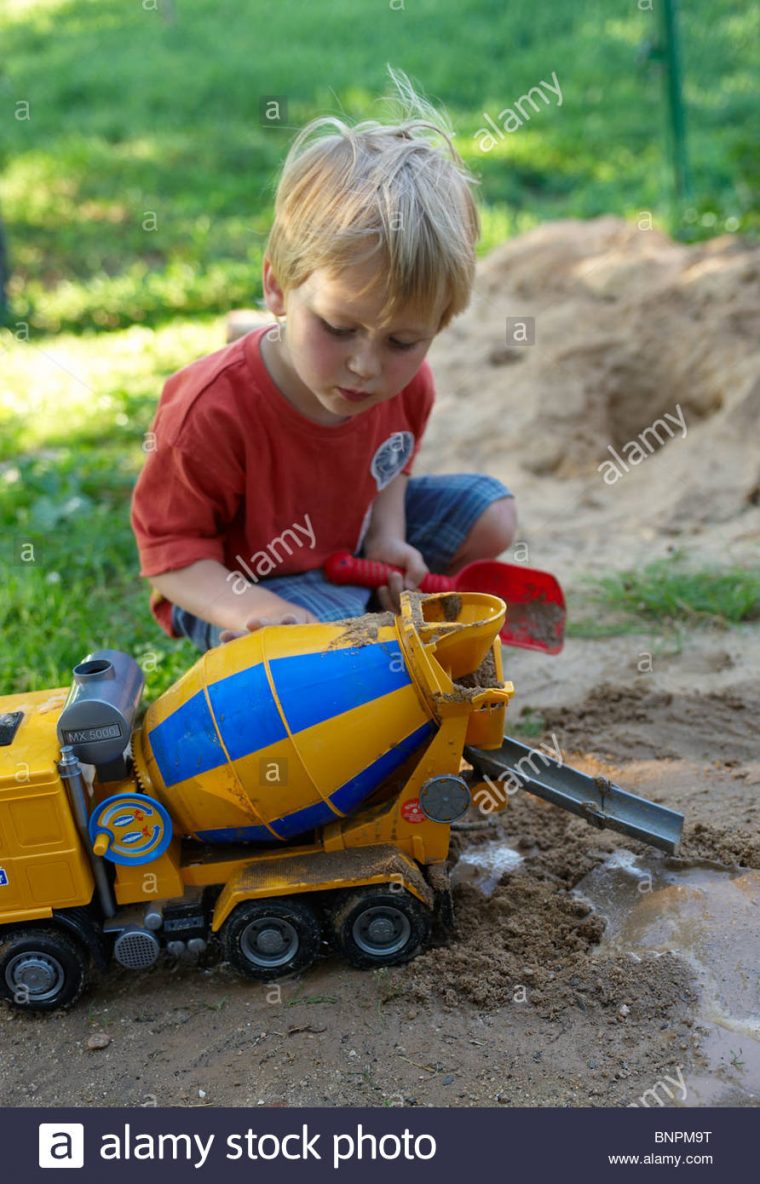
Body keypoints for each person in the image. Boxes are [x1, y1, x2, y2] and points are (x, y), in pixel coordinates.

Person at [130, 68, 516, 652]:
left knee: (492, 516)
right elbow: (170, 555)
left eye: (403, 342)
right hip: (242, 580)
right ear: (278, 287)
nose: (366, 365)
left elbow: (390, 466)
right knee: (335, 639)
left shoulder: (408, 387)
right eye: (340, 328)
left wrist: (388, 537)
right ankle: (347, 631)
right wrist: (256, 608)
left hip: (346, 543)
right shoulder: (210, 411)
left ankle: (367, 614)